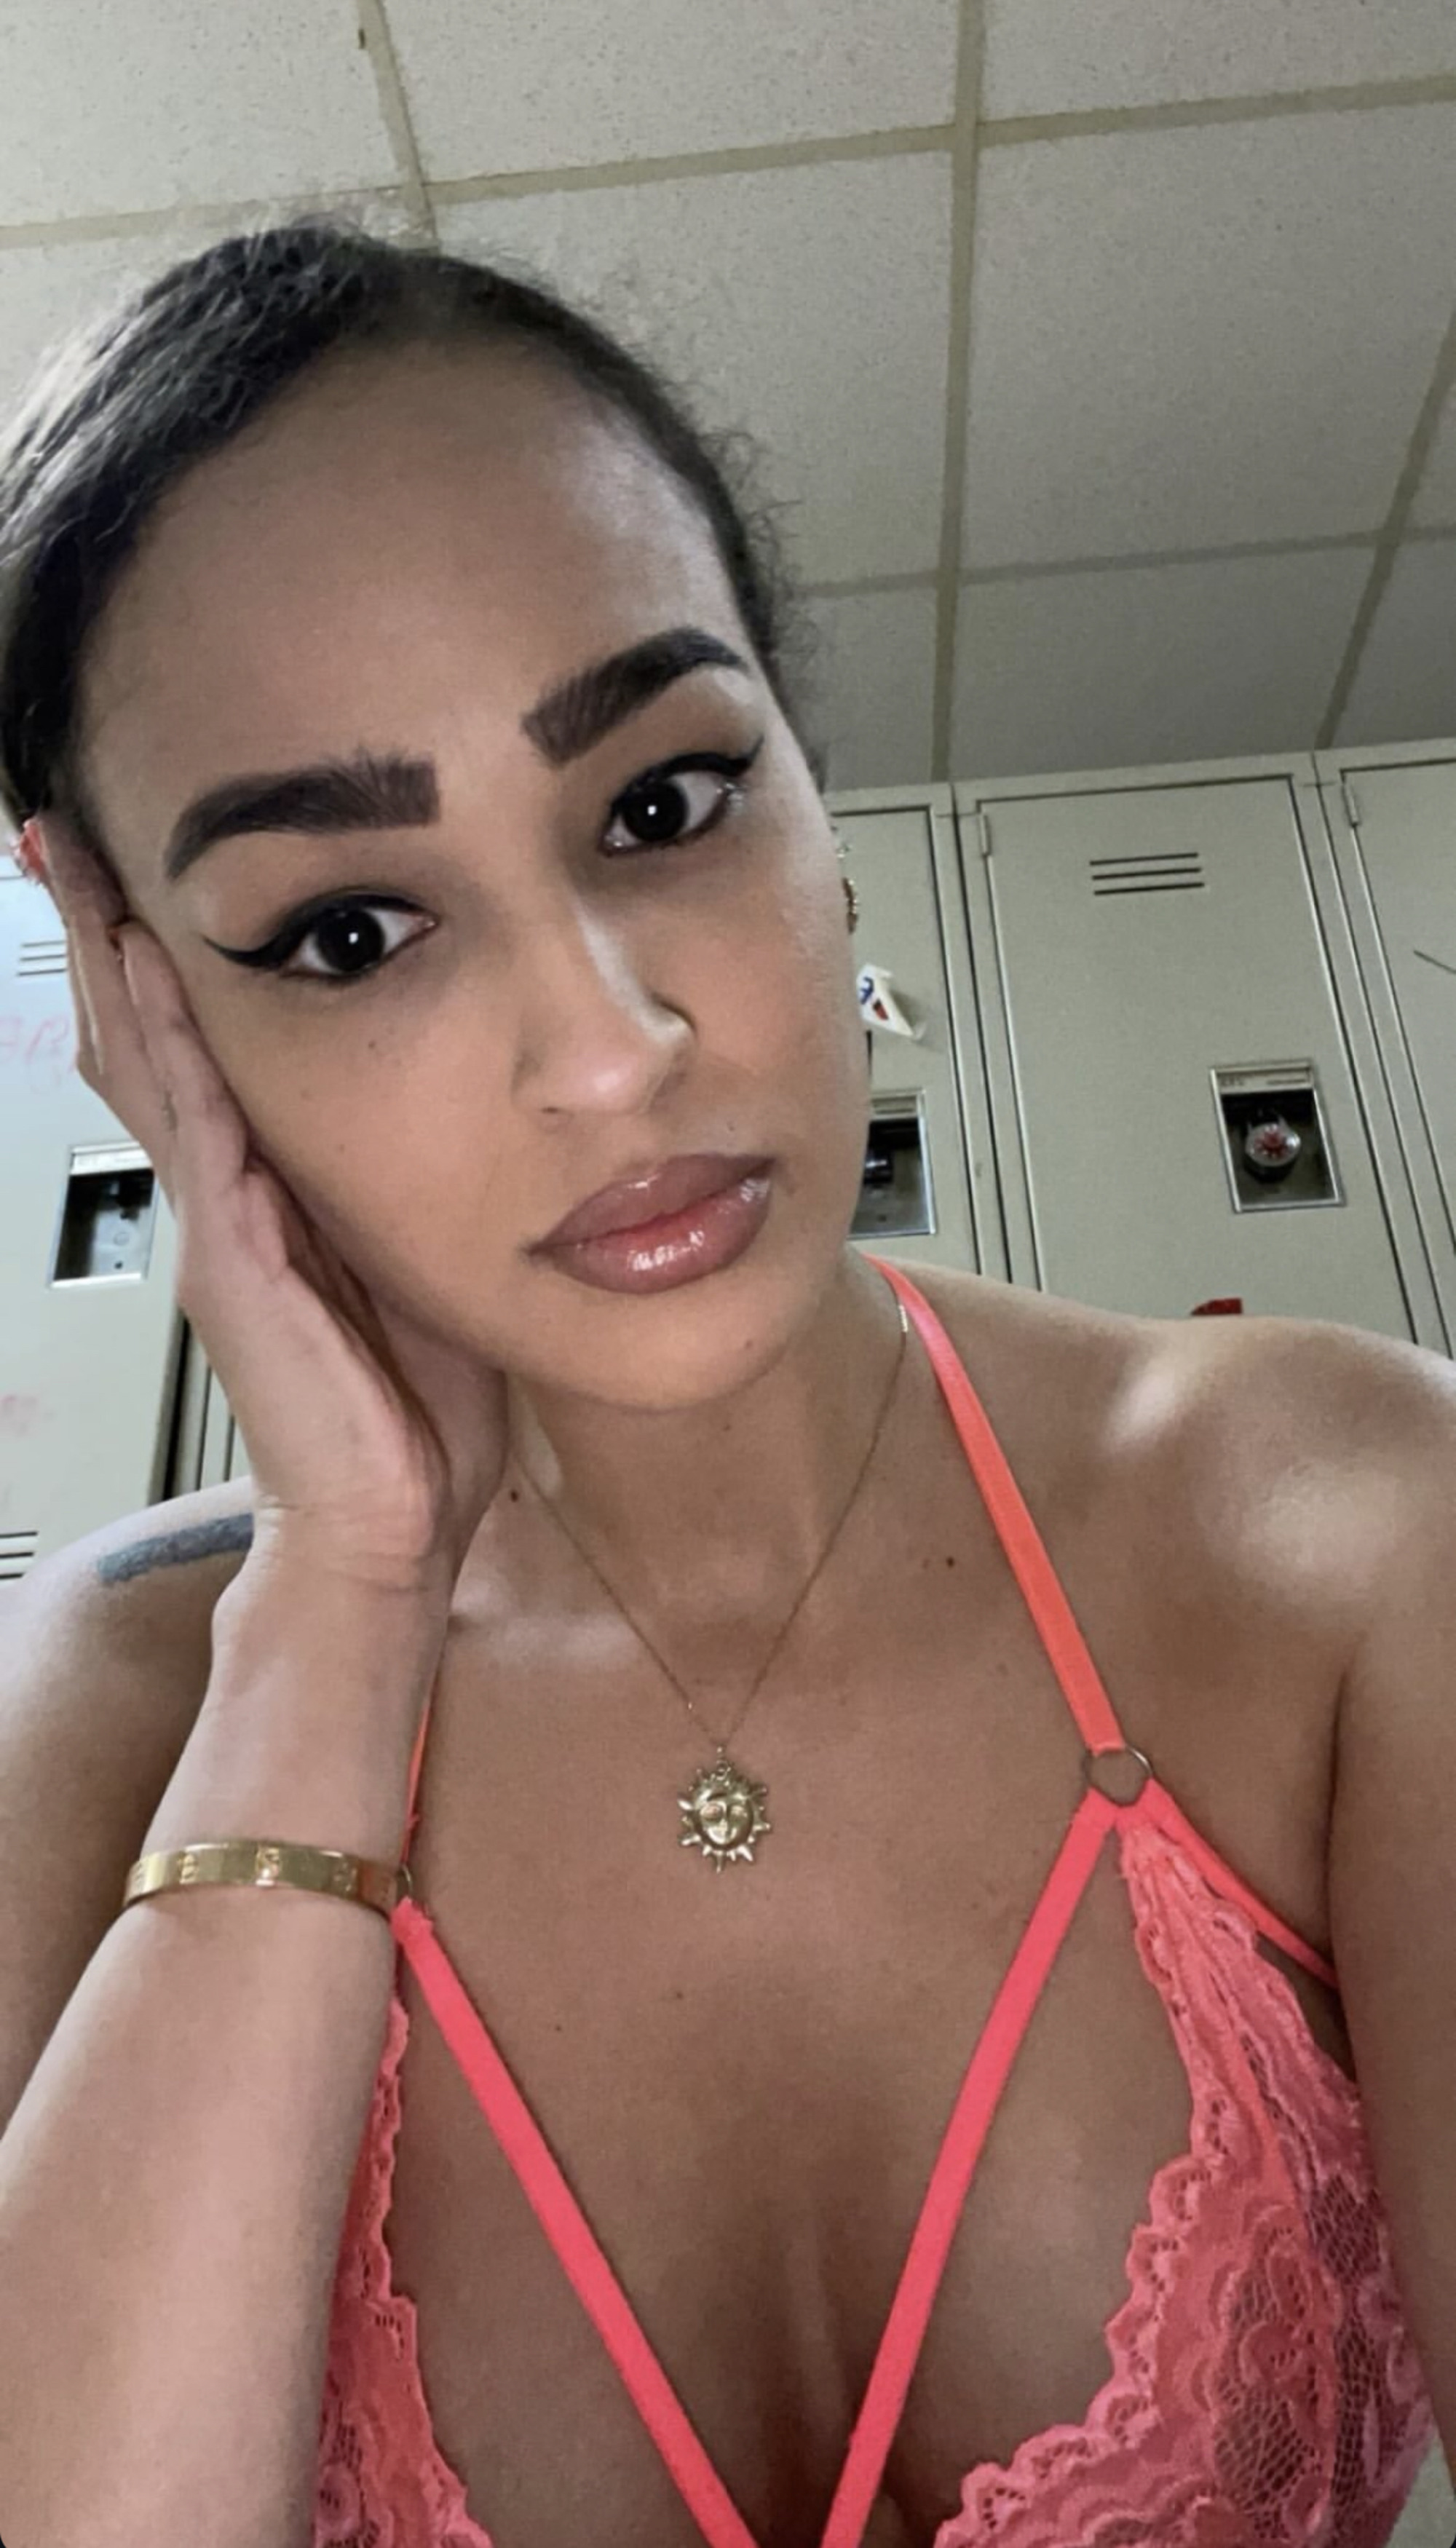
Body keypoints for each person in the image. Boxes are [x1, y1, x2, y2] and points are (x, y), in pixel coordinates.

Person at [0, 217, 1450, 2548]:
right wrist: (342, 1604)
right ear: (149, 1003)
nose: (609, 1047)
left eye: (664, 802)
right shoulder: (111, 1719)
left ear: (811, 798)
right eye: (350, 930)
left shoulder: (1351, 1524)